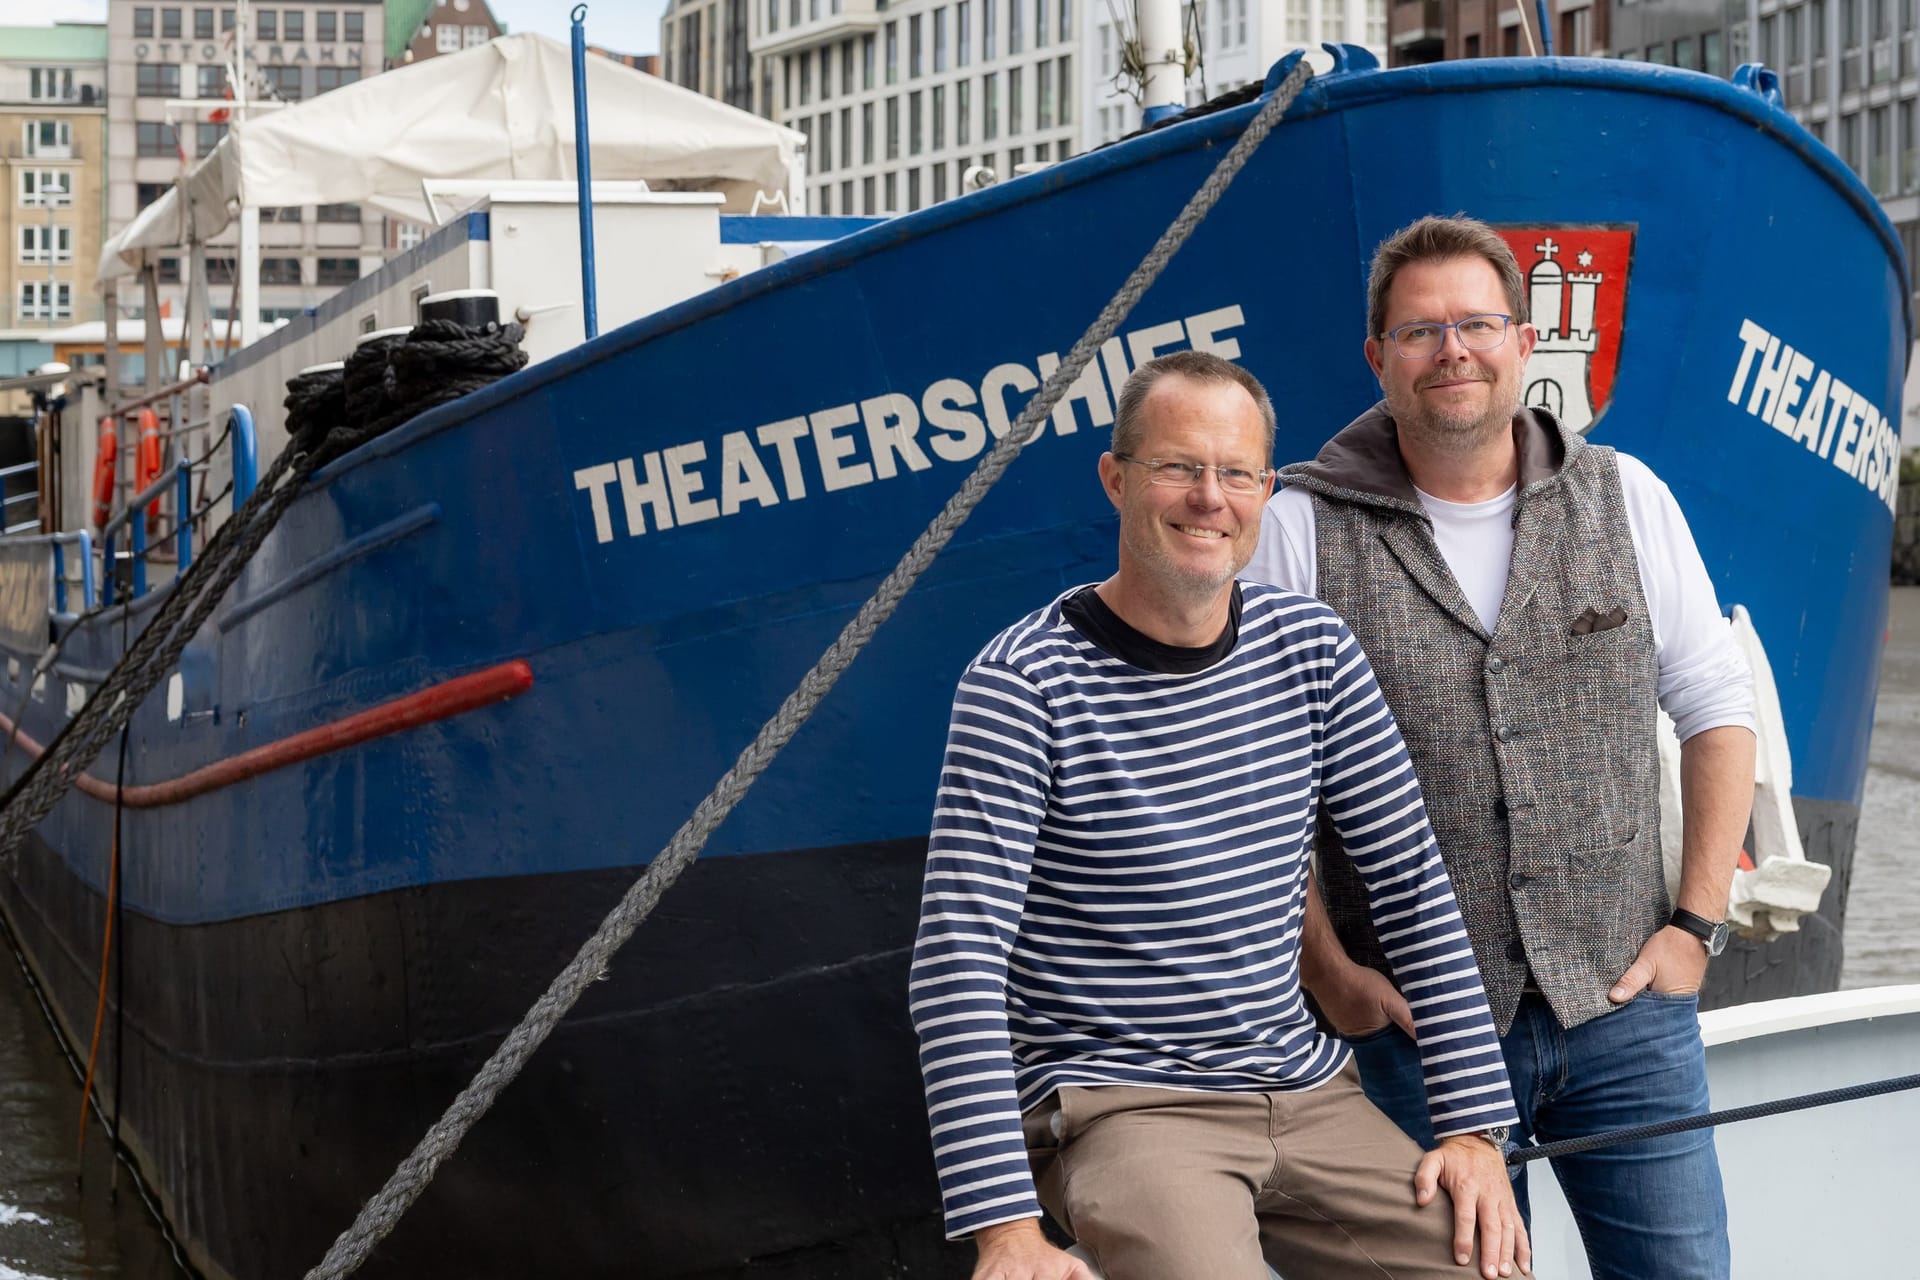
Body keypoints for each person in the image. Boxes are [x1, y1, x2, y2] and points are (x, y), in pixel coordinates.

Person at [909, 350, 1530, 1280]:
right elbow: (956, 964)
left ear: (1265, 491)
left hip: (1309, 1091)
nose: (1210, 497)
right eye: (1177, 467)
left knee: (1489, 1269)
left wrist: (1473, 1127)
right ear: (1116, 478)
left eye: (1235, 473)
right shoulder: (1020, 686)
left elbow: (1410, 886)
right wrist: (1007, 1232)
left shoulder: (1310, 648)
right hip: (1128, 1110)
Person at [1243, 214, 1757, 1280]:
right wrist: (1327, 967)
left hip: (1622, 1004)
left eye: (1477, 323)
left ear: (1525, 344)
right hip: (1413, 1029)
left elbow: (1716, 705)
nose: (1453, 350)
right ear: (1377, 357)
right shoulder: (1298, 528)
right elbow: (1256, 779)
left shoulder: (1628, 497)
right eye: (1421, 331)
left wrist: (1694, 928)